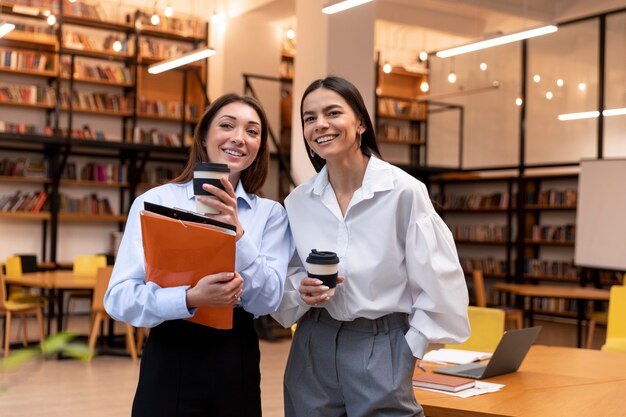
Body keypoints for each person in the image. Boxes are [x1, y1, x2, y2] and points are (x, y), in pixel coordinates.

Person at [272, 76, 470, 417]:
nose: (320, 125)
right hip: (313, 340)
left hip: (382, 342)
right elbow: (285, 277)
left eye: (333, 113)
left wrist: (408, 350)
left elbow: (441, 283)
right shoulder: (298, 201)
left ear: (360, 122)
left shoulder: (404, 192)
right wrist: (299, 290)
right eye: (309, 118)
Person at [105, 93, 294, 417]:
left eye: (252, 131)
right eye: (227, 125)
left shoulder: (270, 214)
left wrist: (237, 233)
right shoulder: (156, 201)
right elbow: (118, 298)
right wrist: (189, 298)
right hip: (170, 350)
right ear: (204, 135)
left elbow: (268, 302)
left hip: (237, 357)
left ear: (260, 147)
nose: (239, 137)